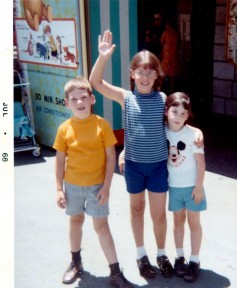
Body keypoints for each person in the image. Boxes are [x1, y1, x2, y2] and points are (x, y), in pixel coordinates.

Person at [89, 30, 174, 279]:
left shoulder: (163, 99)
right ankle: (141, 255)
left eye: (150, 71)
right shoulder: (125, 97)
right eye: (140, 71)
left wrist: (196, 133)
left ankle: (161, 254)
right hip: (134, 167)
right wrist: (103, 57)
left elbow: (175, 127)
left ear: (157, 74)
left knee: (158, 214)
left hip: (158, 165)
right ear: (132, 74)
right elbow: (96, 83)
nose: (145, 76)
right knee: (136, 209)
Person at [53, 76, 133, 288]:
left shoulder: (102, 125)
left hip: (98, 187)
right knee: (76, 221)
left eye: (84, 97)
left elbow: (111, 158)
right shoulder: (64, 129)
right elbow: (60, 160)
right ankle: (75, 262)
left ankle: (115, 272)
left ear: (92, 99)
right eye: (74, 99)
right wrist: (59, 189)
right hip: (72, 186)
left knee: (101, 226)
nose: (80, 102)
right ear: (67, 103)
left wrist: (107, 187)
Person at [164, 92, 207, 283]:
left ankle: (194, 259)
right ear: (166, 111)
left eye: (183, 113)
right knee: (178, 221)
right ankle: (179, 256)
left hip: (192, 188)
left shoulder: (193, 135)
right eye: (174, 111)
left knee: (194, 223)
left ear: (188, 115)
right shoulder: (161, 130)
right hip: (174, 187)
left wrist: (199, 187)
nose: (178, 117)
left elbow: (201, 163)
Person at [160, 18, 180, 93]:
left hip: (167, 54)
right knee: (173, 72)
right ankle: (171, 88)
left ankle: (160, 87)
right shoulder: (176, 33)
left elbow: (162, 42)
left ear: (168, 25)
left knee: (163, 70)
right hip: (174, 54)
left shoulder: (165, 32)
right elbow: (178, 43)